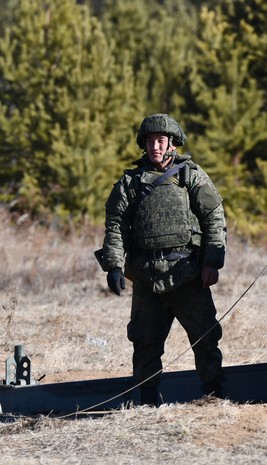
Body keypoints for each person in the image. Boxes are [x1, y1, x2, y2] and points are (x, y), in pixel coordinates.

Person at [99, 113, 226, 406]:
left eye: (160, 140)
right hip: (147, 276)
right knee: (145, 344)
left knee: (206, 339)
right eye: (149, 141)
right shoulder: (129, 183)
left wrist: (212, 261)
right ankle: (147, 401)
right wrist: (114, 265)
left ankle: (214, 398)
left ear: (171, 144)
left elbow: (214, 219)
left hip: (188, 274)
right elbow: (115, 224)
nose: (154, 146)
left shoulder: (190, 176)